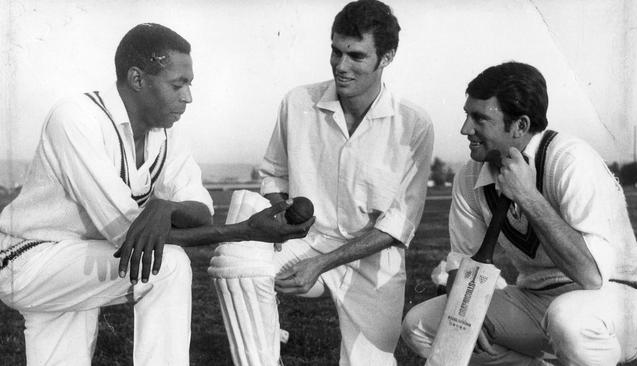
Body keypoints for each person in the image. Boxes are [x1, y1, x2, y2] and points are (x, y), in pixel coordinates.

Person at [0, 23, 313, 366]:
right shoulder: (75, 118)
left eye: (189, 84)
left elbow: (200, 211)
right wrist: (245, 232)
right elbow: (129, 237)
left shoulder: (167, 136)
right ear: (137, 79)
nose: (188, 97)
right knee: (168, 266)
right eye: (178, 84)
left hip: (81, 264)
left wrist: (166, 207)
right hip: (28, 261)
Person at [209, 1, 434, 365]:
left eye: (356, 56)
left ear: (387, 57)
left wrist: (324, 264)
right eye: (336, 51)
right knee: (235, 260)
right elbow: (273, 174)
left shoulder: (413, 124)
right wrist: (284, 211)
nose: (341, 66)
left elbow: (398, 225)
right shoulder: (298, 101)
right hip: (304, 243)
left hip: (372, 260)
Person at [401, 61, 637, 365]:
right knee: (423, 325)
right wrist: (464, 311)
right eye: (467, 115)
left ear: (520, 125)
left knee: (568, 320)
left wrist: (528, 196)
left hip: (622, 301)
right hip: (536, 300)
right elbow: (464, 263)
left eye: (479, 118)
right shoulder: (469, 176)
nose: (465, 129)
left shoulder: (569, 159)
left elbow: (592, 276)